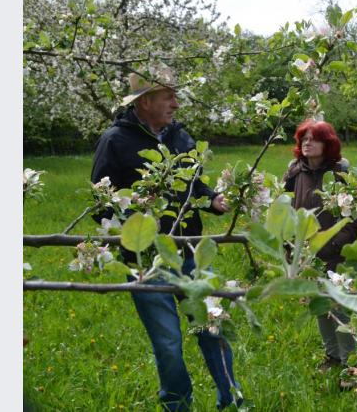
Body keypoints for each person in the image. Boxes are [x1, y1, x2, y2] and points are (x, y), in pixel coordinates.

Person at [91, 67, 243, 411]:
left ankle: (231, 399)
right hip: (148, 262)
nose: (176, 103)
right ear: (145, 102)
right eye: (168, 97)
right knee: (169, 343)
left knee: (212, 327)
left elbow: (195, 185)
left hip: (191, 253)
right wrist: (132, 226)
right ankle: (177, 405)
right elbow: (102, 202)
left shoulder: (180, 137)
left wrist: (213, 198)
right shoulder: (115, 141)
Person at [282, 119, 357, 372]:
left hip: (335, 253)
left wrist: (335, 243)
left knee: (340, 308)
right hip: (306, 256)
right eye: (304, 138)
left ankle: (351, 363)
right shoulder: (294, 172)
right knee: (320, 307)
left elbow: (354, 215)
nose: (307, 143)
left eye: (313, 138)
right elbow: (283, 210)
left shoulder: (341, 172)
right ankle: (333, 356)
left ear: (327, 143)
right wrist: (289, 249)